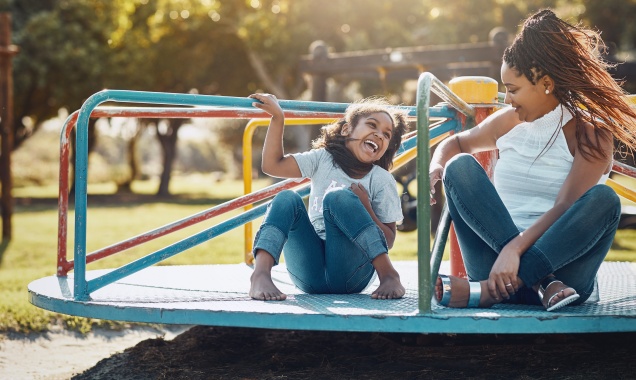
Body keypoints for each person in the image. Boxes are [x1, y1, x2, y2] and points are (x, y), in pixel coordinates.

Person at [429, 9, 636, 312]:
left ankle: (488, 293)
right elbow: (458, 143)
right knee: (459, 167)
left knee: (604, 200)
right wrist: (437, 165)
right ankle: (539, 282)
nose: (508, 99)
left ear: (546, 83)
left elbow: (566, 207)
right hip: (498, 265)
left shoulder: (591, 133)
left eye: (513, 90)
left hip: (566, 275)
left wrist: (515, 250)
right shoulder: (507, 122)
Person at [248, 94, 410, 301]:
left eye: (387, 135)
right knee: (286, 197)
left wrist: (365, 207)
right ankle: (260, 274)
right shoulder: (323, 159)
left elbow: (389, 240)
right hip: (309, 274)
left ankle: (389, 275)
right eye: (372, 125)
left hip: (350, 274)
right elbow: (272, 165)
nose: (379, 135)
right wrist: (278, 118)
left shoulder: (381, 179)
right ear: (346, 130)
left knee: (338, 198)